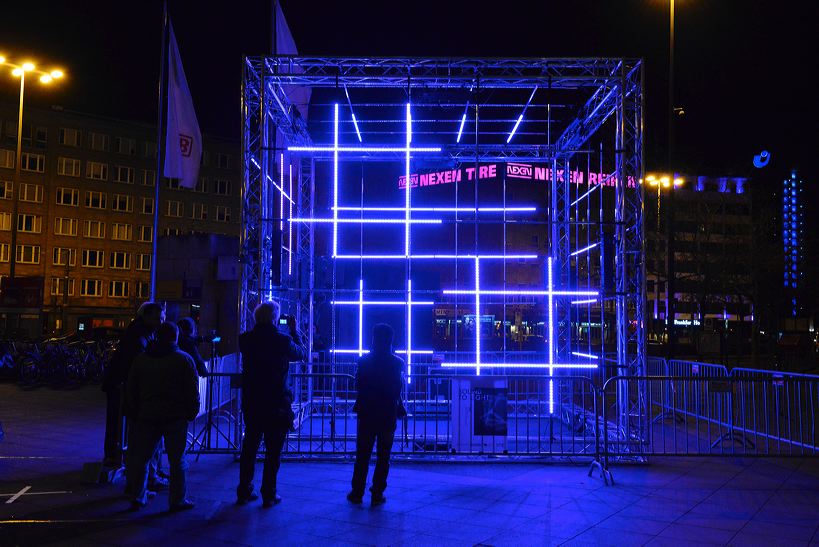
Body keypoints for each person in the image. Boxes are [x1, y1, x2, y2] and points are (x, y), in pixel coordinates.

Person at [125, 322, 200, 512]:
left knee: (142, 457)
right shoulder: (184, 360)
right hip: (175, 416)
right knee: (177, 460)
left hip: (147, 414)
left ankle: (138, 495)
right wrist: (192, 411)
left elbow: (132, 387)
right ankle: (177, 499)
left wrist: (133, 410)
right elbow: (192, 390)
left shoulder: (141, 359)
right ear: (175, 337)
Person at [236, 301, 304, 508]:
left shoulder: (246, 339)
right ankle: (269, 493)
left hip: (253, 401)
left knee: (249, 449)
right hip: (276, 402)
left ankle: (244, 491)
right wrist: (295, 331)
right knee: (273, 452)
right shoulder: (282, 340)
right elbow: (300, 353)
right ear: (275, 318)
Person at [347, 324, 405, 507]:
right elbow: (398, 388)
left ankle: (357, 491)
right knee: (383, 455)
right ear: (391, 339)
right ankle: (377, 492)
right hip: (387, 412)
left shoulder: (363, 362)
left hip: (367, 412)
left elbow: (359, 386)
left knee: (362, 454)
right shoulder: (397, 363)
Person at [102, 302, 164, 467]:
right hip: (120, 384)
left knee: (118, 421)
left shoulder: (141, 331)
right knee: (118, 421)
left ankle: (115, 454)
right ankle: (115, 456)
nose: (161, 322)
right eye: (158, 318)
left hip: (120, 383)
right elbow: (137, 361)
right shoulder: (139, 335)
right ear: (147, 316)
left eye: (162, 318)